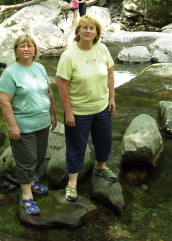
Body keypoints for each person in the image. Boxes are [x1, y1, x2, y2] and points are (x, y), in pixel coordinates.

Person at [56, 15, 118, 203]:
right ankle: (72, 183)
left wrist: (112, 98)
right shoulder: (69, 55)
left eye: (92, 28)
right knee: (76, 147)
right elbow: (61, 85)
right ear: (78, 31)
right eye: (84, 27)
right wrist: (68, 112)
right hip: (79, 111)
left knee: (104, 140)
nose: (88, 31)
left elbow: (110, 73)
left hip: (101, 107)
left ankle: (101, 166)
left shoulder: (102, 49)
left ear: (97, 32)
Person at [0, 34, 57, 215]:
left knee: (38, 157)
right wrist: (13, 126)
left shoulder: (39, 68)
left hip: (42, 122)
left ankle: (31, 183)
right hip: (23, 125)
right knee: (26, 161)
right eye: (22, 46)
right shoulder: (10, 73)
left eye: (29, 46)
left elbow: (49, 92)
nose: (26, 49)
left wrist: (53, 114)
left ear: (35, 50)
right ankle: (26, 196)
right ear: (16, 50)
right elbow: (4, 101)